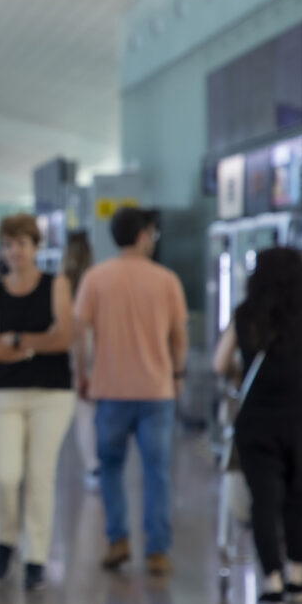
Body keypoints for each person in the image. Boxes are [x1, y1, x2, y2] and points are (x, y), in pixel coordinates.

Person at [212, 247, 302, 604]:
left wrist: (239, 369)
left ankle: (272, 584)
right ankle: (298, 576)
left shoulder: (245, 315)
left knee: (264, 497)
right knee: (298, 489)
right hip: (297, 414)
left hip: (256, 418)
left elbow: (218, 363)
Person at [73, 207, 188, 577]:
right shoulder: (166, 280)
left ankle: (117, 540)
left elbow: (80, 334)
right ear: (142, 235)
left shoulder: (96, 278)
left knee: (110, 468)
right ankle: (158, 550)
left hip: (110, 389)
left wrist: (83, 374)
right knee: (156, 471)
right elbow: (179, 336)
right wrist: (178, 373)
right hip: (157, 390)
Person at [0, 213, 75, 591]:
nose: (15, 251)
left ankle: (36, 556)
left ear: (36, 247)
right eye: (9, 244)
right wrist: (34, 342)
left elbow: (63, 338)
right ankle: (5, 539)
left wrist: (14, 341)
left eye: (22, 243)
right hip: (2, 394)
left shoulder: (56, 285)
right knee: (5, 476)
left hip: (52, 394)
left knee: (39, 476)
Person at [63, 231, 98, 490]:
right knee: (95, 408)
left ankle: (92, 466)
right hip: (96, 341)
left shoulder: (61, 281)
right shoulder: (95, 278)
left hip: (73, 342)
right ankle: (97, 463)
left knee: (83, 410)